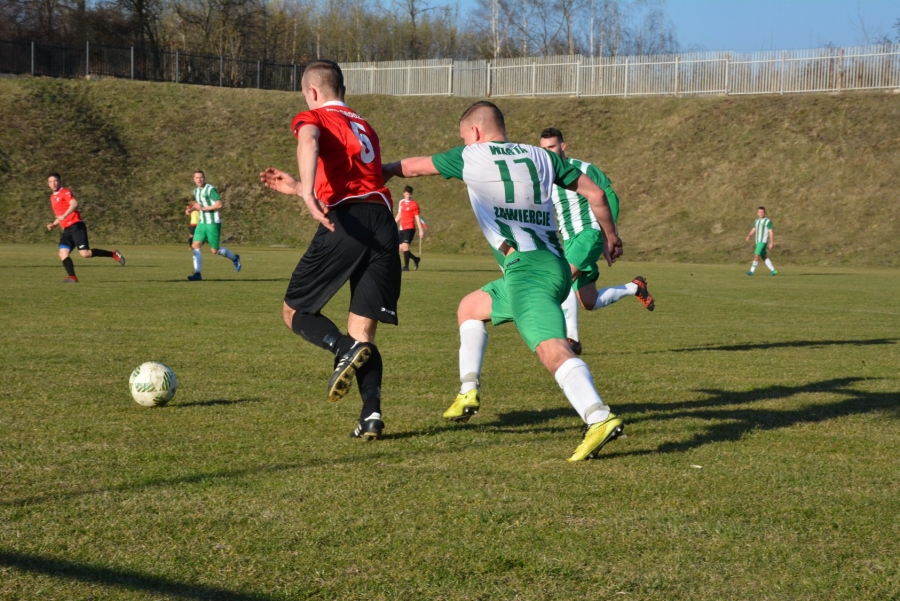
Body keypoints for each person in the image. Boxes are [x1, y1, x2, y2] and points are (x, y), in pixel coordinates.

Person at [383, 101, 625, 461]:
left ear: (475, 132)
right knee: (470, 308)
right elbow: (596, 193)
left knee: (551, 349)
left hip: (529, 272)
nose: (464, 142)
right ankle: (468, 390)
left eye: (464, 136)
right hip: (550, 264)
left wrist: (369, 173)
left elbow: (408, 168)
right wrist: (611, 236)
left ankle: (598, 416)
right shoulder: (542, 157)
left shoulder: (470, 156)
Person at [259, 60, 400, 441]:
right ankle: (371, 414)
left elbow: (309, 140)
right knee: (364, 334)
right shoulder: (363, 124)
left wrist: (305, 192)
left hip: (348, 221)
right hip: (383, 224)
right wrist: (297, 187)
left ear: (313, 92)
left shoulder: (312, 116)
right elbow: (352, 176)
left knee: (294, 311)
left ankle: (341, 348)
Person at [539, 128, 654, 355]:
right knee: (589, 302)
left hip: (589, 235)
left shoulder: (583, 169)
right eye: (544, 149)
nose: (548, 153)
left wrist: (608, 235)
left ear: (563, 146)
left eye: (552, 147)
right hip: (570, 243)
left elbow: (609, 196)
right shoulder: (544, 175)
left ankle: (571, 340)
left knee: (559, 281)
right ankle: (635, 288)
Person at [45, 172, 124, 283]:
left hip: (76, 226)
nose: (53, 183)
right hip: (66, 230)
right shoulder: (52, 198)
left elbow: (74, 204)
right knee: (63, 253)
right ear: (48, 184)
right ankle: (72, 277)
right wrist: (54, 224)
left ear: (60, 181)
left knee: (85, 254)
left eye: (55, 181)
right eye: (51, 181)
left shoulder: (65, 192)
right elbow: (60, 215)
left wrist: (65, 215)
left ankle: (113, 254)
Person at [187, 170, 241, 280]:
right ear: (194, 179)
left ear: (204, 178)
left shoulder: (210, 189)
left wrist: (203, 209)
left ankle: (235, 258)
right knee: (195, 245)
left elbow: (219, 204)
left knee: (214, 251)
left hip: (212, 223)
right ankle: (197, 274)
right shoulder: (196, 191)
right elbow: (199, 204)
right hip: (202, 223)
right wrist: (191, 209)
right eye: (197, 178)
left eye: (201, 177)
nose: (199, 179)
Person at [395, 185, 424, 271]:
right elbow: (400, 214)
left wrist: (421, 231)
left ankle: (406, 267)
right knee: (400, 248)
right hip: (402, 228)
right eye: (407, 194)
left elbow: (417, 218)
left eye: (410, 194)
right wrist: (393, 222)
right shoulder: (401, 202)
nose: (408, 196)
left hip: (410, 227)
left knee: (405, 246)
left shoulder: (414, 204)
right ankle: (415, 259)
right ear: (404, 193)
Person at [745, 206, 777, 276]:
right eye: (759, 212)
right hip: (757, 241)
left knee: (756, 255)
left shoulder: (767, 221)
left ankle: (751, 272)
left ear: (764, 213)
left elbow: (771, 232)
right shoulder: (756, 221)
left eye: (762, 212)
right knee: (764, 256)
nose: (761, 213)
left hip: (762, 241)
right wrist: (749, 235)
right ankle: (773, 270)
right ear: (757, 213)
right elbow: (754, 229)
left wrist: (771, 242)